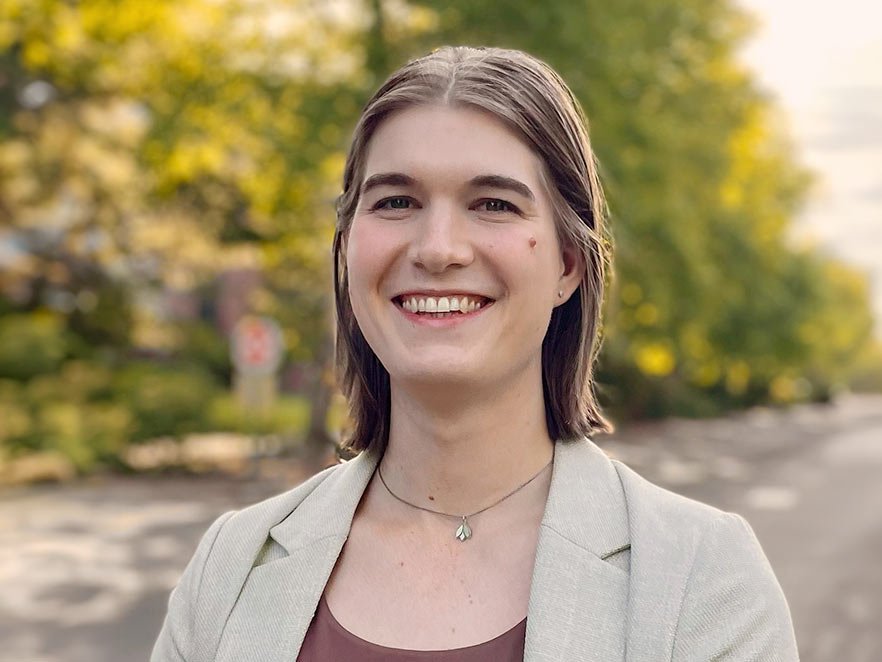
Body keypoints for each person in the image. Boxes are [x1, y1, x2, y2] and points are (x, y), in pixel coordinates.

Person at [151, 46, 799, 661]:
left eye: (493, 203)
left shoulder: (705, 579)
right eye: (396, 201)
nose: (438, 248)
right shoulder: (229, 568)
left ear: (569, 262)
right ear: (349, 250)